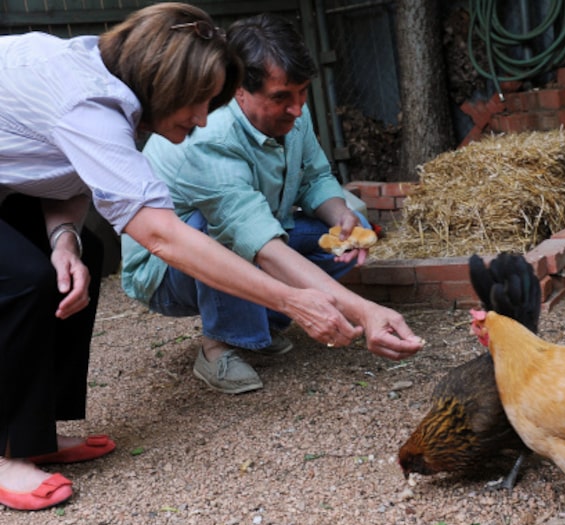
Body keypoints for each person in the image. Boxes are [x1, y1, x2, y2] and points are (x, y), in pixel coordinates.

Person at [0, 3, 422, 512]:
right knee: (24, 278)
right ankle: (6, 456)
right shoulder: (89, 102)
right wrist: (298, 301)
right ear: (164, 81)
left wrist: (64, 238)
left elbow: (61, 173)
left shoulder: (109, 88)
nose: (203, 118)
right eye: (198, 102)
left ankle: (34, 434)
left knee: (74, 257)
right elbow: (163, 236)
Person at [121, 13, 401, 395]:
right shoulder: (210, 135)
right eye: (282, 97)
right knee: (224, 234)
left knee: (342, 235)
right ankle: (219, 345)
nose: (298, 109)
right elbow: (252, 236)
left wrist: (342, 216)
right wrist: (363, 311)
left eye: (302, 93)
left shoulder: (292, 117)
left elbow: (315, 177)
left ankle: (262, 317)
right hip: (164, 272)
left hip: (261, 227)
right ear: (238, 89)